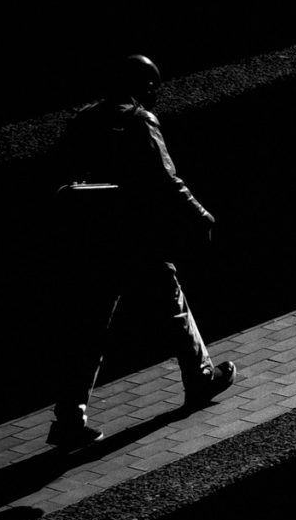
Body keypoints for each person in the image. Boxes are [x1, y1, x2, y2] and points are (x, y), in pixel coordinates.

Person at [47, 55, 235, 449]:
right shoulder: (139, 120)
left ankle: (69, 416)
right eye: (153, 85)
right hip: (136, 236)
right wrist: (201, 215)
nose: (156, 93)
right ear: (142, 85)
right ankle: (200, 378)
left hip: (93, 238)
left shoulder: (83, 119)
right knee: (172, 304)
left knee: (89, 327)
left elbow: (62, 175)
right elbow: (168, 180)